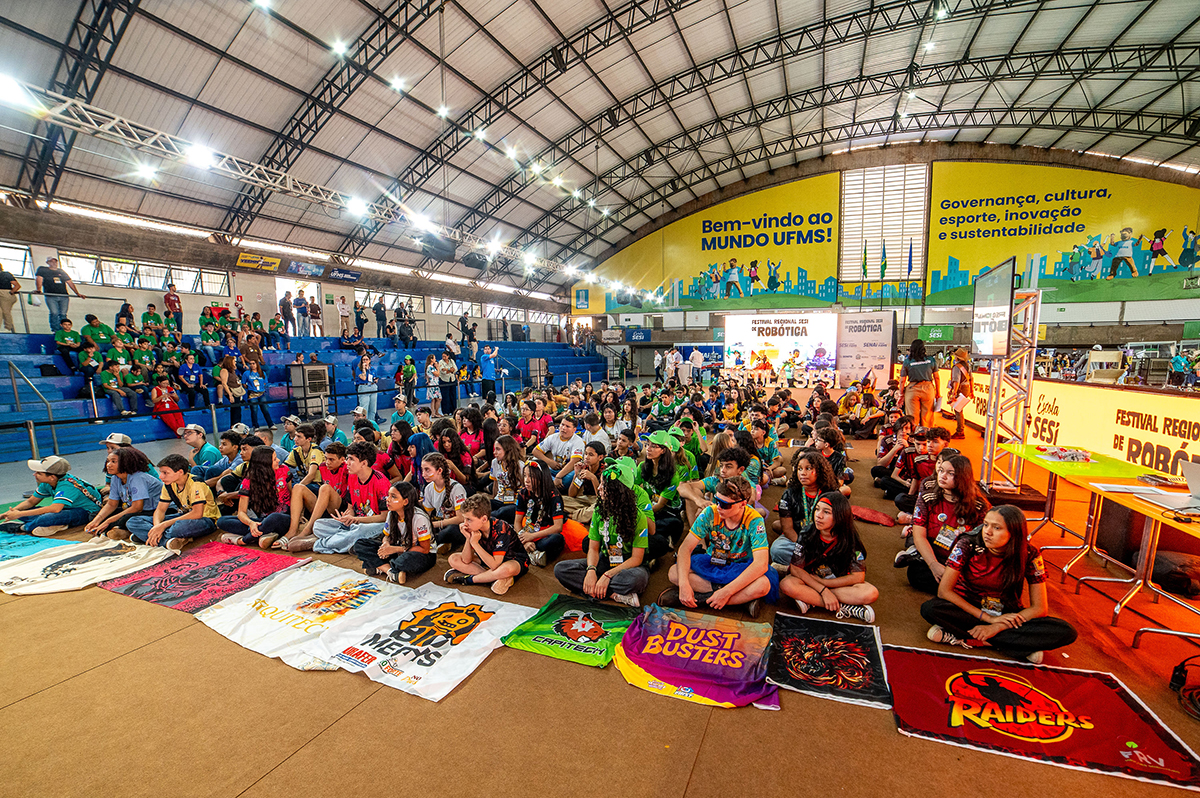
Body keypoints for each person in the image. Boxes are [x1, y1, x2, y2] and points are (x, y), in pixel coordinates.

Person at [922, 505, 1077, 663]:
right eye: (986, 524)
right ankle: (1012, 645)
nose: (987, 532)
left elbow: (1039, 608)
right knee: (931, 609)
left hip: (1005, 613)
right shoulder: (967, 544)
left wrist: (996, 626)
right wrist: (988, 619)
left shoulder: (1029, 554)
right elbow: (944, 591)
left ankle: (979, 638)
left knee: (1066, 631)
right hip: (969, 608)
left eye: (997, 528)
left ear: (1014, 532)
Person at [659, 475, 776, 617]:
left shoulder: (754, 520)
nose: (719, 507)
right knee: (673, 572)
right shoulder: (711, 512)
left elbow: (761, 564)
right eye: (717, 501)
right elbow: (685, 548)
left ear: (743, 504)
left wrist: (726, 592)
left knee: (763, 585)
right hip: (714, 561)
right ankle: (741, 601)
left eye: (725, 504)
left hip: (741, 567)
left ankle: (701, 599)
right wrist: (684, 585)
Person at [554, 458, 649, 607]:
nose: (599, 489)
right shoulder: (599, 510)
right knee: (561, 569)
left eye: (604, 486)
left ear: (617, 492)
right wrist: (591, 570)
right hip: (604, 560)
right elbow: (593, 548)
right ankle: (613, 595)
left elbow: (636, 559)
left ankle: (592, 590)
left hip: (626, 566)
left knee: (638, 579)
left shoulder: (638, 517)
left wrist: (607, 575)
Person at [778, 491, 878, 622]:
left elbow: (858, 577)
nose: (818, 516)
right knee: (787, 584)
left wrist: (825, 584)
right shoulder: (806, 533)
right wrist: (823, 591)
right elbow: (796, 569)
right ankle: (844, 607)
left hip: (836, 582)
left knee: (870, 592)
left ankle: (810, 600)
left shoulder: (849, 538)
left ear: (840, 516)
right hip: (811, 579)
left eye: (826, 512)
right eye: (817, 509)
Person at [900, 454, 991, 593]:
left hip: (962, 561)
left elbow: (984, 546)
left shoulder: (979, 506)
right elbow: (920, 536)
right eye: (941, 470)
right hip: (935, 554)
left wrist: (955, 570)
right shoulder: (927, 498)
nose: (942, 476)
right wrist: (933, 565)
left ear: (963, 477)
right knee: (916, 574)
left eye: (950, 473)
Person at [125, 454, 219, 550]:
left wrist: (163, 526)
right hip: (184, 516)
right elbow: (160, 510)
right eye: (161, 472)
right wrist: (157, 527)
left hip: (206, 520)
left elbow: (197, 513)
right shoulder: (169, 484)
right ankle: (165, 541)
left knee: (177, 527)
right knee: (132, 521)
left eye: (165, 473)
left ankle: (146, 536)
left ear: (180, 472)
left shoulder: (196, 483)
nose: (161, 477)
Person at [444, 493, 528, 595]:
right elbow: (466, 560)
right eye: (464, 519)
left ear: (484, 519)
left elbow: (494, 565)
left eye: (469, 519)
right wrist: (468, 539)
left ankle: (470, 579)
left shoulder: (501, 528)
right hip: (488, 558)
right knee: (454, 558)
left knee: (506, 569)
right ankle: (493, 579)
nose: (465, 523)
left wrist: (475, 543)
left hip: (512, 560)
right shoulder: (474, 527)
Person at [353, 481, 436, 584]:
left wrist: (393, 549)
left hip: (421, 554)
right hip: (397, 549)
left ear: (405, 501)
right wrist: (385, 545)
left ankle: (379, 566)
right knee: (360, 545)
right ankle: (390, 571)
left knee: (404, 560)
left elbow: (425, 549)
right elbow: (386, 536)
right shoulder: (391, 513)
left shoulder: (419, 518)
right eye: (388, 496)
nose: (387, 499)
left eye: (393, 497)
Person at [0, 456, 101, 537]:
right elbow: (30, 502)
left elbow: (55, 509)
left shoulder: (67, 485)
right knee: (29, 512)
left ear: (52, 477)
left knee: (44, 518)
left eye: (39, 473)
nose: (34, 474)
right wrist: (10, 513)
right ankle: (58, 525)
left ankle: (23, 527)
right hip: (66, 509)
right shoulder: (47, 482)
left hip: (86, 513)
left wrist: (19, 515)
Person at [770, 450, 840, 566]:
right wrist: (802, 547)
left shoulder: (831, 494)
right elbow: (787, 529)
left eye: (808, 468)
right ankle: (815, 566)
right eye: (799, 469)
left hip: (824, 540)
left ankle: (799, 567)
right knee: (778, 550)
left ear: (820, 470)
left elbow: (838, 527)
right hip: (797, 540)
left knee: (842, 551)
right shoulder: (789, 494)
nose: (802, 473)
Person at [216, 446, 292, 548]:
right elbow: (241, 512)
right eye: (274, 459)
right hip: (261, 521)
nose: (278, 460)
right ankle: (265, 533)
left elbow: (292, 495)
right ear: (264, 463)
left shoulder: (284, 470)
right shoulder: (249, 481)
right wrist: (251, 523)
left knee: (273, 518)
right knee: (222, 521)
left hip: (283, 519)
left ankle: (243, 540)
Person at [83, 447, 163, 539]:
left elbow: (137, 508)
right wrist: (96, 521)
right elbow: (111, 504)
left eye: (113, 462)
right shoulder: (115, 478)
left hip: (156, 511)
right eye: (108, 461)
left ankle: (124, 531)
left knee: (126, 519)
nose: (108, 465)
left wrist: (108, 521)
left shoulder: (137, 478)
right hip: (135, 510)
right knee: (94, 516)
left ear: (125, 463)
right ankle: (120, 530)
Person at [421, 452, 468, 551]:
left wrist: (437, 524)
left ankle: (440, 542)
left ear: (439, 470)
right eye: (423, 470)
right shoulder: (429, 488)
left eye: (427, 470)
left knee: (450, 531)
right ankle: (443, 543)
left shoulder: (456, 488)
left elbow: (461, 518)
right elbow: (427, 514)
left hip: (456, 527)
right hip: (440, 523)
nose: (423, 474)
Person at [36, 256, 86, 332]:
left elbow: (69, 282)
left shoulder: (61, 271)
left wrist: (77, 293)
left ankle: (64, 329)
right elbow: (39, 278)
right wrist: (38, 289)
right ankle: (55, 329)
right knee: (54, 313)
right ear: (48, 263)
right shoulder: (43, 269)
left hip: (64, 295)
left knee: (63, 314)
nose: (54, 263)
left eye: (55, 261)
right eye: (51, 261)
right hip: (51, 295)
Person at [899, 338, 939, 428]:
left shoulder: (907, 361)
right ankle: (927, 437)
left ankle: (913, 437)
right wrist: (938, 392)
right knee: (927, 416)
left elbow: (902, 380)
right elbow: (936, 377)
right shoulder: (931, 360)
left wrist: (901, 394)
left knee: (912, 417)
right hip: (928, 388)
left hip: (912, 389)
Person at [947, 348, 973, 439]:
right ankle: (960, 430)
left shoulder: (956, 367)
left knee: (958, 410)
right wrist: (972, 391)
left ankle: (960, 431)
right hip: (966, 388)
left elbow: (956, 381)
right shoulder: (967, 365)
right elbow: (971, 378)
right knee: (959, 410)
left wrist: (953, 393)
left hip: (960, 389)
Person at [241, 361, 275, 429]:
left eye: (253, 363)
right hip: (252, 394)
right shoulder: (246, 373)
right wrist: (250, 388)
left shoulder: (262, 373)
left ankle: (270, 424)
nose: (252, 365)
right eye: (250, 364)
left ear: (257, 364)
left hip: (261, 393)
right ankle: (255, 426)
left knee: (265, 409)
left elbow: (265, 382)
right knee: (254, 410)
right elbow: (244, 383)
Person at [354, 354, 378, 422]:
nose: (365, 361)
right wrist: (364, 369)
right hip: (364, 387)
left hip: (373, 387)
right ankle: (364, 423)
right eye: (363, 360)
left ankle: (371, 422)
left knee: (373, 408)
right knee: (364, 408)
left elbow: (374, 377)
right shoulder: (359, 369)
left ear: (369, 360)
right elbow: (363, 378)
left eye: (366, 359)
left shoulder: (373, 369)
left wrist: (375, 380)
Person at [438, 349, 458, 414]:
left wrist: (449, 370)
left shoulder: (452, 361)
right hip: (444, 380)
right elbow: (442, 371)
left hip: (452, 380)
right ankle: (445, 411)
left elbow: (455, 369)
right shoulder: (440, 362)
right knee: (445, 396)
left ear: (448, 356)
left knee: (453, 395)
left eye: (445, 356)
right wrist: (450, 369)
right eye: (443, 356)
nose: (444, 358)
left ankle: (453, 410)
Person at [0, 260, 19, 333]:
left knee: (5, 311)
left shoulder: (5, 275)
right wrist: (11, 292)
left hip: (5, 293)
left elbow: (17, 285)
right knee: (4, 311)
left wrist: (11, 292)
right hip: (7, 293)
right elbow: (17, 285)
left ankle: (8, 327)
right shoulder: (6, 274)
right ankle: (8, 327)